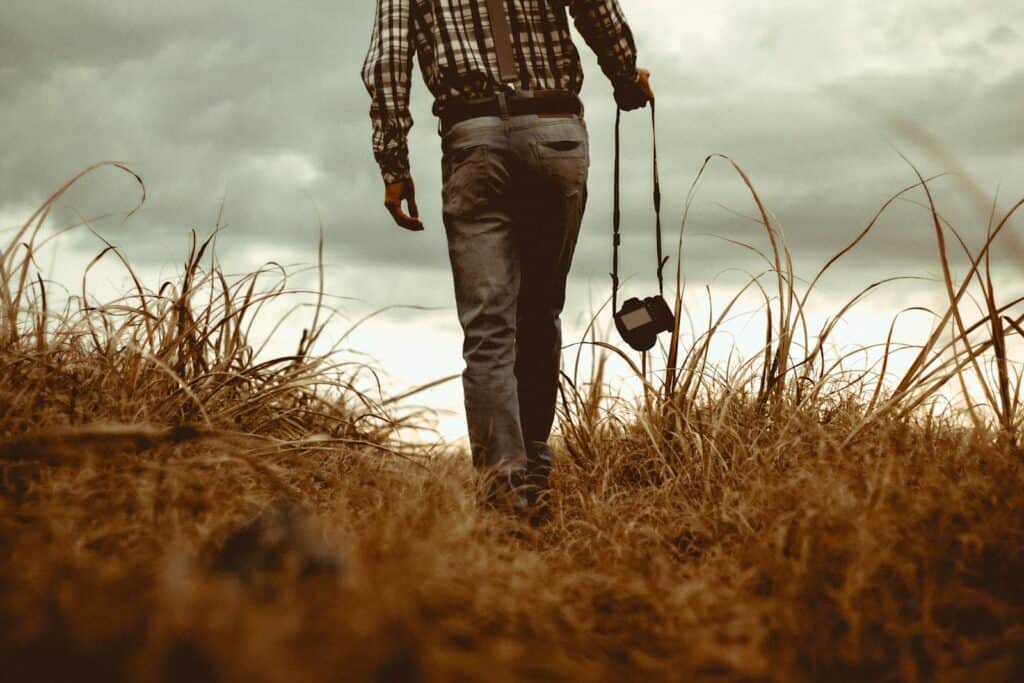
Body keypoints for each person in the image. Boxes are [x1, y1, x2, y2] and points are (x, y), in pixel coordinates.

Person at [362, 0, 653, 515]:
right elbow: (596, 11)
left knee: (489, 329)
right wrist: (626, 78)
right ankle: (536, 465)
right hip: (556, 134)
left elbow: (387, 61)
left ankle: (504, 491)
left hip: (474, 142)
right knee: (540, 312)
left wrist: (393, 162)